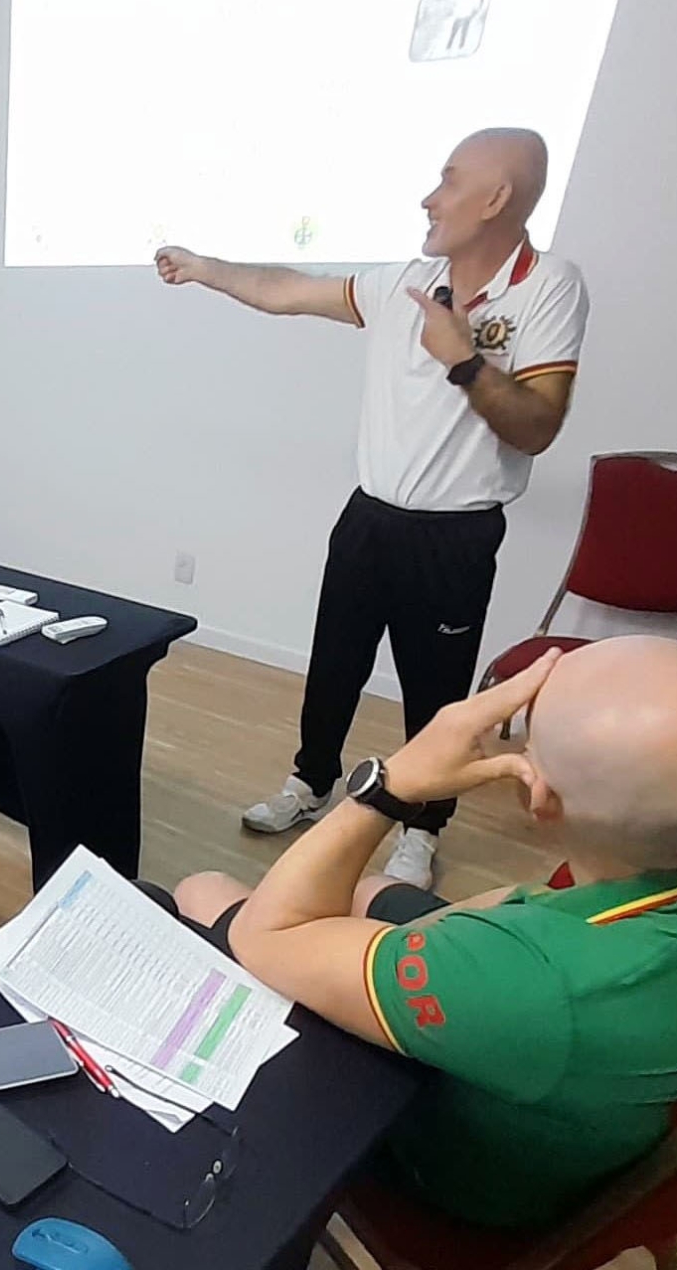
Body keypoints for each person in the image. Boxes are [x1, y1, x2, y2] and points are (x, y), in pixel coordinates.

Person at [155, 637, 677, 1230]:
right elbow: (524, 912)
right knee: (366, 892)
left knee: (203, 892)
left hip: (462, 1185)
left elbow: (265, 937)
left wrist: (393, 783)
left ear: (535, 797)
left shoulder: (534, 984)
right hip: (598, 1096)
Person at [156, 127, 591, 888]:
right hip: (369, 519)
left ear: (496, 199)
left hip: (454, 536)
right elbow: (284, 291)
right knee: (334, 665)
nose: (429, 197)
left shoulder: (548, 287)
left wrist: (462, 357)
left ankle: (422, 826)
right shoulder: (401, 283)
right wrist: (204, 268)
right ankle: (312, 781)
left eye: (449, 181)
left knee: (434, 694)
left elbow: (538, 425)